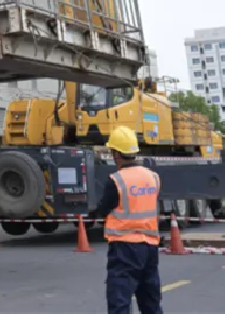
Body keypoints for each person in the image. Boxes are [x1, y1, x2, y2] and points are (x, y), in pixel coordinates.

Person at [89, 126, 164, 314]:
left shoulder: (116, 180)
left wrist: (94, 214)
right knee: (150, 301)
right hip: (150, 246)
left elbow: (104, 209)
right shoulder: (153, 177)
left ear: (116, 154)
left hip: (125, 248)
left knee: (119, 301)